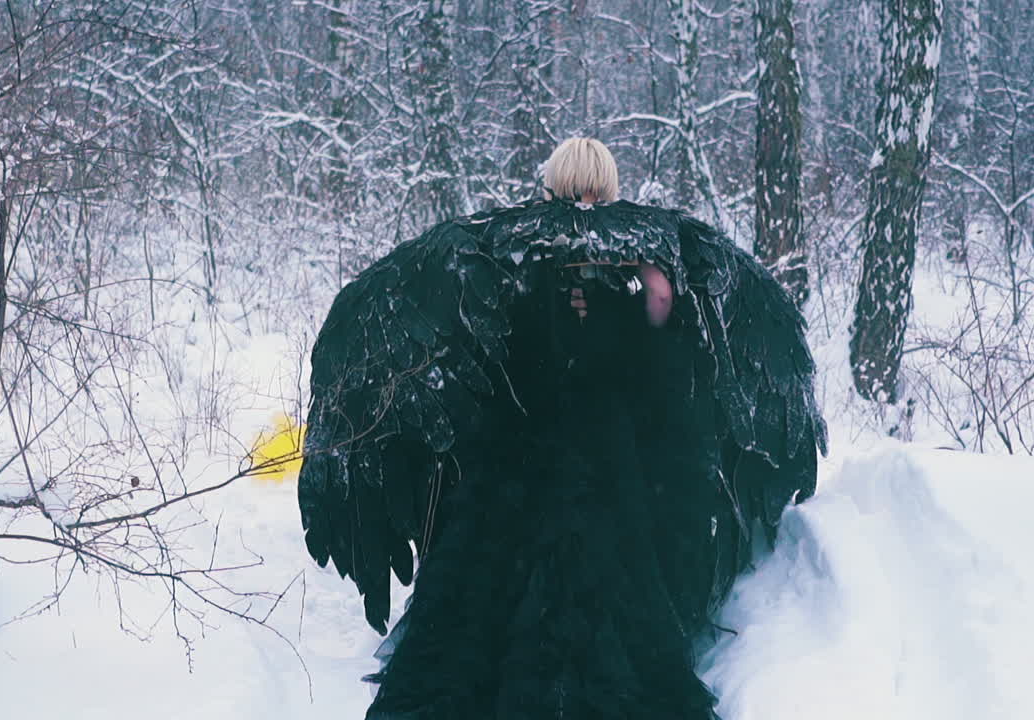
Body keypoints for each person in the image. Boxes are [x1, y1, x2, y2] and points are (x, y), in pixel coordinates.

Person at [298, 135, 824, 720]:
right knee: (606, 590)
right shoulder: (644, 250)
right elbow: (656, 336)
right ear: (609, 182)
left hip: (512, 456)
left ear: (549, 181)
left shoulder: (501, 252)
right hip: (607, 457)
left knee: (481, 595)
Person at [544, 138, 673, 327]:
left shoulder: (532, 236)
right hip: (617, 347)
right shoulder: (630, 237)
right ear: (605, 179)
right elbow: (661, 295)